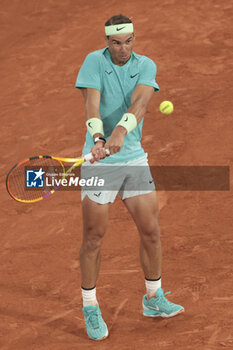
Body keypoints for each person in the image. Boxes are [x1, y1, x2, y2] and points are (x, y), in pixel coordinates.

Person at [75, 14, 184, 341]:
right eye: (116, 42)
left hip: (134, 159)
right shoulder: (94, 61)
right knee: (93, 237)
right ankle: (90, 305)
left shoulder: (146, 65)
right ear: (107, 41)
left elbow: (139, 104)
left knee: (151, 231)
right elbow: (91, 106)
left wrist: (120, 132)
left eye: (129, 41)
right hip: (100, 165)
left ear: (134, 38)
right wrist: (98, 140)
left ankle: (153, 298)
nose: (123, 49)